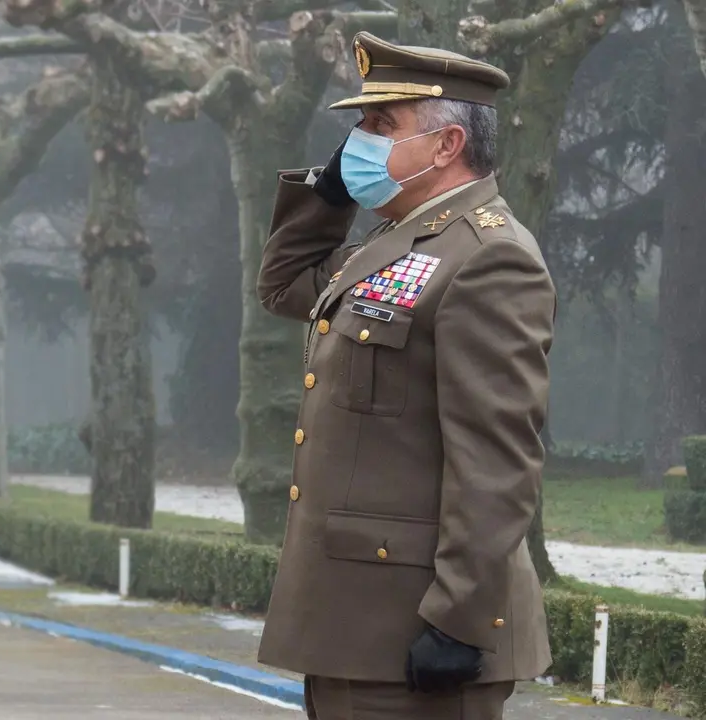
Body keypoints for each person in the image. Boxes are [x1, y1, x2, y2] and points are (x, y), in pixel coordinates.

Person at [255, 32, 556, 720]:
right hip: (353, 627)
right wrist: (328, 196)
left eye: (380, 125)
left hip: (417, 630)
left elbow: (497, 460)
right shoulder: (398, 243)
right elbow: (282, 287)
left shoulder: (488, 259)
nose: (358, 140)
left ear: (447, 145)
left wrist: (456, 620)